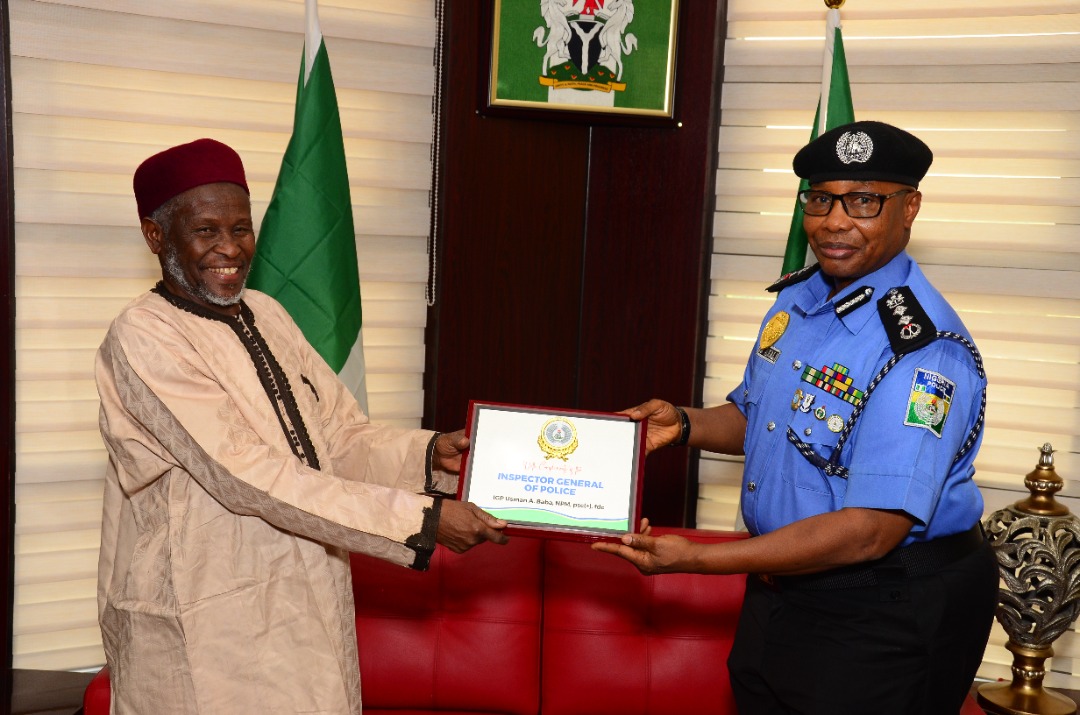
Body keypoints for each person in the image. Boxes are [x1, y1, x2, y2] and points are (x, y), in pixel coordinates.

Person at [594, 121, 998, 714]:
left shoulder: (921, 351)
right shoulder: (801, 299)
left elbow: (870, 531)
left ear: (909, 207)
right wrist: (682, 425)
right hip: (785, 582)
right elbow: (762, 419)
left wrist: (700, 559)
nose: (834, 221)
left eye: (863, 200)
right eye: (820, 198)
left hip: (884, 604)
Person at [95, 138, 509, 714]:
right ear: (156, 236)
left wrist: (432, 454)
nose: (230, 248)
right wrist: (421, 520)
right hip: (203, 612)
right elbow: (246, 475)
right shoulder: (144, 335)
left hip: (307, 589)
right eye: (206, 231)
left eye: (240, 228)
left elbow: (336, 436)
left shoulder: (267, 312)